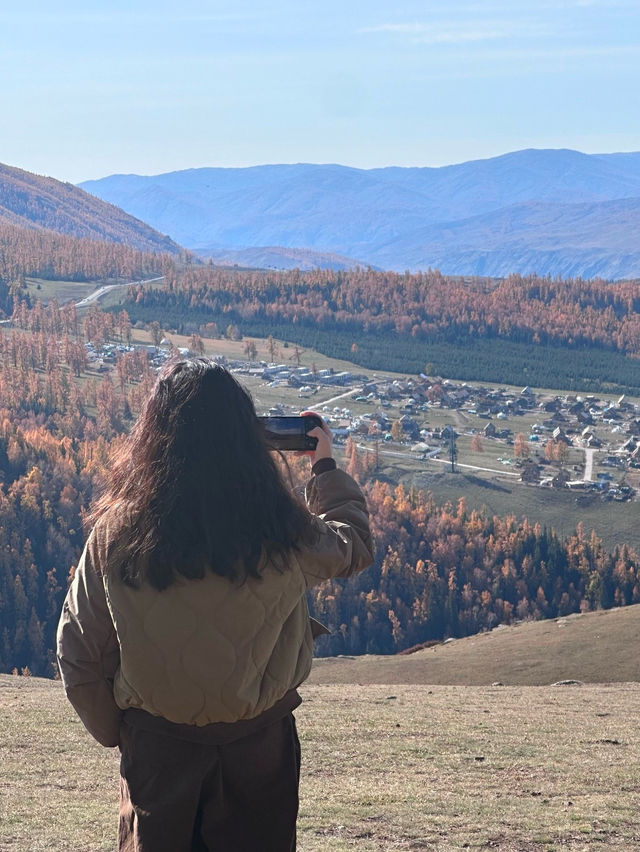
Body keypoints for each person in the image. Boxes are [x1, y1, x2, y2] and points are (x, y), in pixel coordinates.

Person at [56, 358, 373, 852]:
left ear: (153, 437)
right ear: (246, 438)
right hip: (260, 749)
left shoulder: (116, 532)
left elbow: (78, 651)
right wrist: (324, 467)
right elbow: (352, 545)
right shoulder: (281, 528)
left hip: (157, 751)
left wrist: (120, 733)